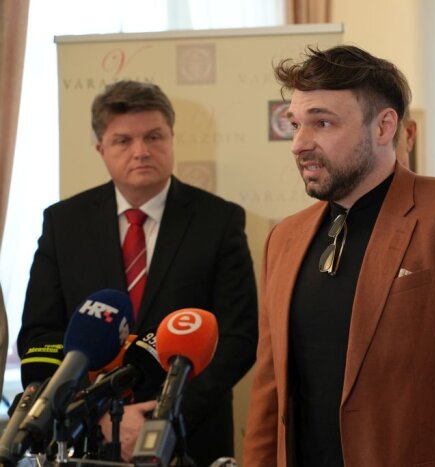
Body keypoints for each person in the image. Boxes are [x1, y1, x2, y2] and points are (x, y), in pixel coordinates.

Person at [243, 45, 435, 466]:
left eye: (322, 123)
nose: (300, 144)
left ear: (384, 127)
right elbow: (269, 394)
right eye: (295, 125)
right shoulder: (284, 238)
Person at [17, 80, 258, 466]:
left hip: (189, 436)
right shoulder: (63, 223)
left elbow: (238, 338)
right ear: (101, 149)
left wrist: (160, 417)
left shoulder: (219, 220)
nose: (141, 151)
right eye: (123, 140)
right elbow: (40, 334)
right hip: (87, 439)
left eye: (154, 136)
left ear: (172, 138)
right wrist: (97, 415)